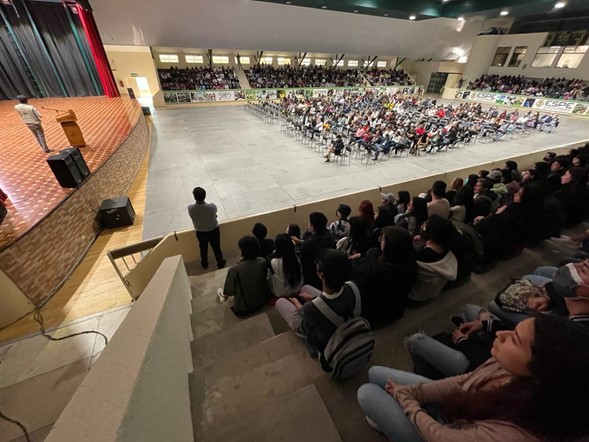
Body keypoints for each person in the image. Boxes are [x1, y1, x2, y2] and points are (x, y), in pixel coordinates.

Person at [358, 315, 589, 442]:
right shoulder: (508, 365)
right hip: (459, 409)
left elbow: (440, 436)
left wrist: (406, 402)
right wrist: (414, 392)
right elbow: (464, 380)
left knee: (366, 393)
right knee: (374, 372)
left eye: (515, 339)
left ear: (543, 369)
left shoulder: (513, 434)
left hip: (443, 434)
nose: (500, 334)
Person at [275, 248, 358, 353]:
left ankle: (311, 345)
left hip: (326, 338)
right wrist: (313, 299)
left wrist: (296, 302)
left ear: (321, 274)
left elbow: (305, 314)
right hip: (346, 323)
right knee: (306, 288)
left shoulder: (310, 308)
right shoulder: (353, 286)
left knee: (280, 302)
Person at [351, 226, 417, 327]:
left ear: (391, 246)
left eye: (382, 240)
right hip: (396, 310)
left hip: (375, 316)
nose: (379, 240)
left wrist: (368, 254)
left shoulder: (379, 269)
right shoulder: (411, 263)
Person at [218, 236, 269, 316]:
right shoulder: (262, 261)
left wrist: (223, 293)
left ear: (242, 251)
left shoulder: (234, 270)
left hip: (245, 308)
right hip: (263, 300)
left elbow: (229, 292)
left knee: (222, 293)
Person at [292, 212, 336, 289]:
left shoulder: (309, 244)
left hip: (313, 277)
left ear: (313, 226)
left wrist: (295, 246)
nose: (308, 225)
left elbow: (303, 257)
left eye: (309, 223)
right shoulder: (329, 236)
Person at [187, 187, 226, 269]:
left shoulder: (191, 208)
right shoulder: (211, 207)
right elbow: (214, 214)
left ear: (194, 196)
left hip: (200, 232)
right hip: (213, 230)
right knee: (216, 248)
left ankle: (204, 263)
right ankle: (220, 263)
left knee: (203, 249)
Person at [268, 233, 303, 298]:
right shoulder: (297, 257)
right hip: (297, 288)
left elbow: (270, 256)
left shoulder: (274, 262)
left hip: (281, 293)